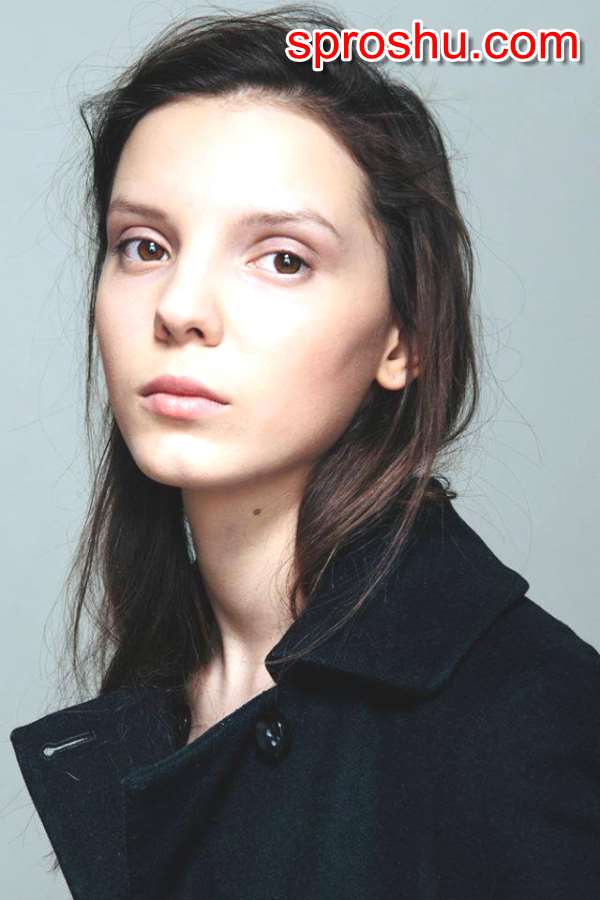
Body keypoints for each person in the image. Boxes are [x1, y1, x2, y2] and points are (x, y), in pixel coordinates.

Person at [9, 5, 600, 899]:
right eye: (144, 246)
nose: (180, 308)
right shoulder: (166, 699)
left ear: (403, 337)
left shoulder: (530, 720)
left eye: (282, 258)